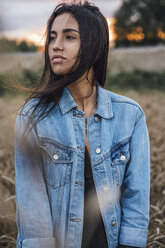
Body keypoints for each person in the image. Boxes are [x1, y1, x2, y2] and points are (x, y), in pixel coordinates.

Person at [14, 1, 150, 248]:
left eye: (69, 37)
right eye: (53, 37)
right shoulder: (32, 117)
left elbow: (136, 200)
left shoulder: (130, 117)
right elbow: (33, 215)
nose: (56, 45)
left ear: (93, 45)